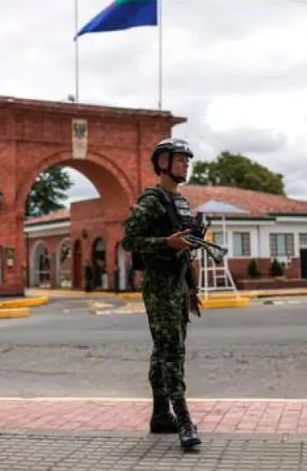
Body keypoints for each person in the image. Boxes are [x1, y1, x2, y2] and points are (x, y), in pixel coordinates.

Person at [121, 137, 203, 449]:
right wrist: (166, 243)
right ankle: (183, 420)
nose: (185, 163)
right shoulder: (152, 200)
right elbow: (130, 241)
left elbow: (186, 249)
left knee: (163, 352)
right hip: (159, 288)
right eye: (179, 159)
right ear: (162, 163)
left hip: (180, 285)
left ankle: (160, 415)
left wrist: (192, 289)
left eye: (186, 159)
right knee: (172, 352)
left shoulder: (181, 202)